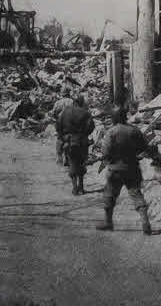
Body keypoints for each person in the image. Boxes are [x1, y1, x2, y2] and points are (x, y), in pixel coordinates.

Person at [96, 106, 152, 235]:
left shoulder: (111, 132)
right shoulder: (135, 130)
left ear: (114, 117)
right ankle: (145, 221)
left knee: (109, 195)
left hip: (115, 169)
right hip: (132, 168)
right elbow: (144, 147)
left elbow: (106, 151)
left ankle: (108, 222)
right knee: (136, 194)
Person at [55, 94, 94, 195]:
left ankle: (74, 187)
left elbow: (58, 126)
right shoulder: (86, 113)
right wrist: (84, 134)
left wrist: (62, 136)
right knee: (82, 162)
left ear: (74, 102)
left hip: (69, 141)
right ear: (81, 102)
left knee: (71, 162)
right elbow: (91, 127)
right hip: (82, 141)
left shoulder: (65, 112)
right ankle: (81, 186)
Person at [50, 89, 75, 166]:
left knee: (60, 138)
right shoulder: (72, 102)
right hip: (70, 123)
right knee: (70, 138)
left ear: (62, 94)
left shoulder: (58, 102)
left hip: (60, 122)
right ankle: (68, 156)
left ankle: (59, 157)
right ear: (68, 94)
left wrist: (56, 119)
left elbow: (53, 113)